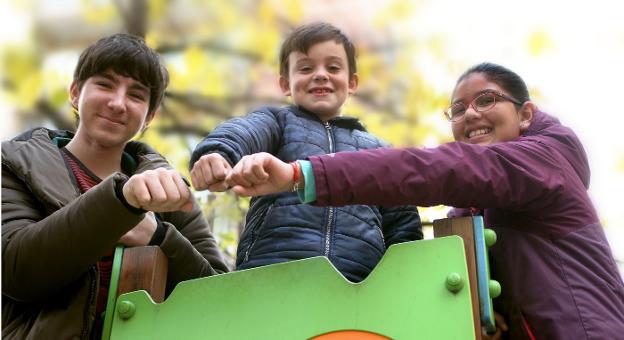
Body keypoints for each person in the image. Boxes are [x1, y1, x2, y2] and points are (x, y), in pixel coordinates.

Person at [224, 62, 624, 339]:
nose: (469, 114)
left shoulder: (544, 160)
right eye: (457, 109)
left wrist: (302, 173)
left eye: (486, 100)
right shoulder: (471, 212)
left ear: (525, 114)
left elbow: (434, 169)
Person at [2, 33, 229, 339]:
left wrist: (160, 237)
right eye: (105, 84)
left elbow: (219, 297)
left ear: (149, 116)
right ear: (74, 92)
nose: (118, 103)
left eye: (136, 95)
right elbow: (16, 272)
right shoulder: (14, 164)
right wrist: (122, 202)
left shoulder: (170, 190)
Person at [189, 22, 422, 283]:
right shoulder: (277, 122)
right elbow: (245, 130)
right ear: (286, 84)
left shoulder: (378, 150)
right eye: (306, 68)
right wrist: (219, 153)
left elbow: (403, 227)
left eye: (333, 67)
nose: (320, 75)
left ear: (352, 82)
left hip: (357, 283)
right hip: (272, 272)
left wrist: (401, 281)